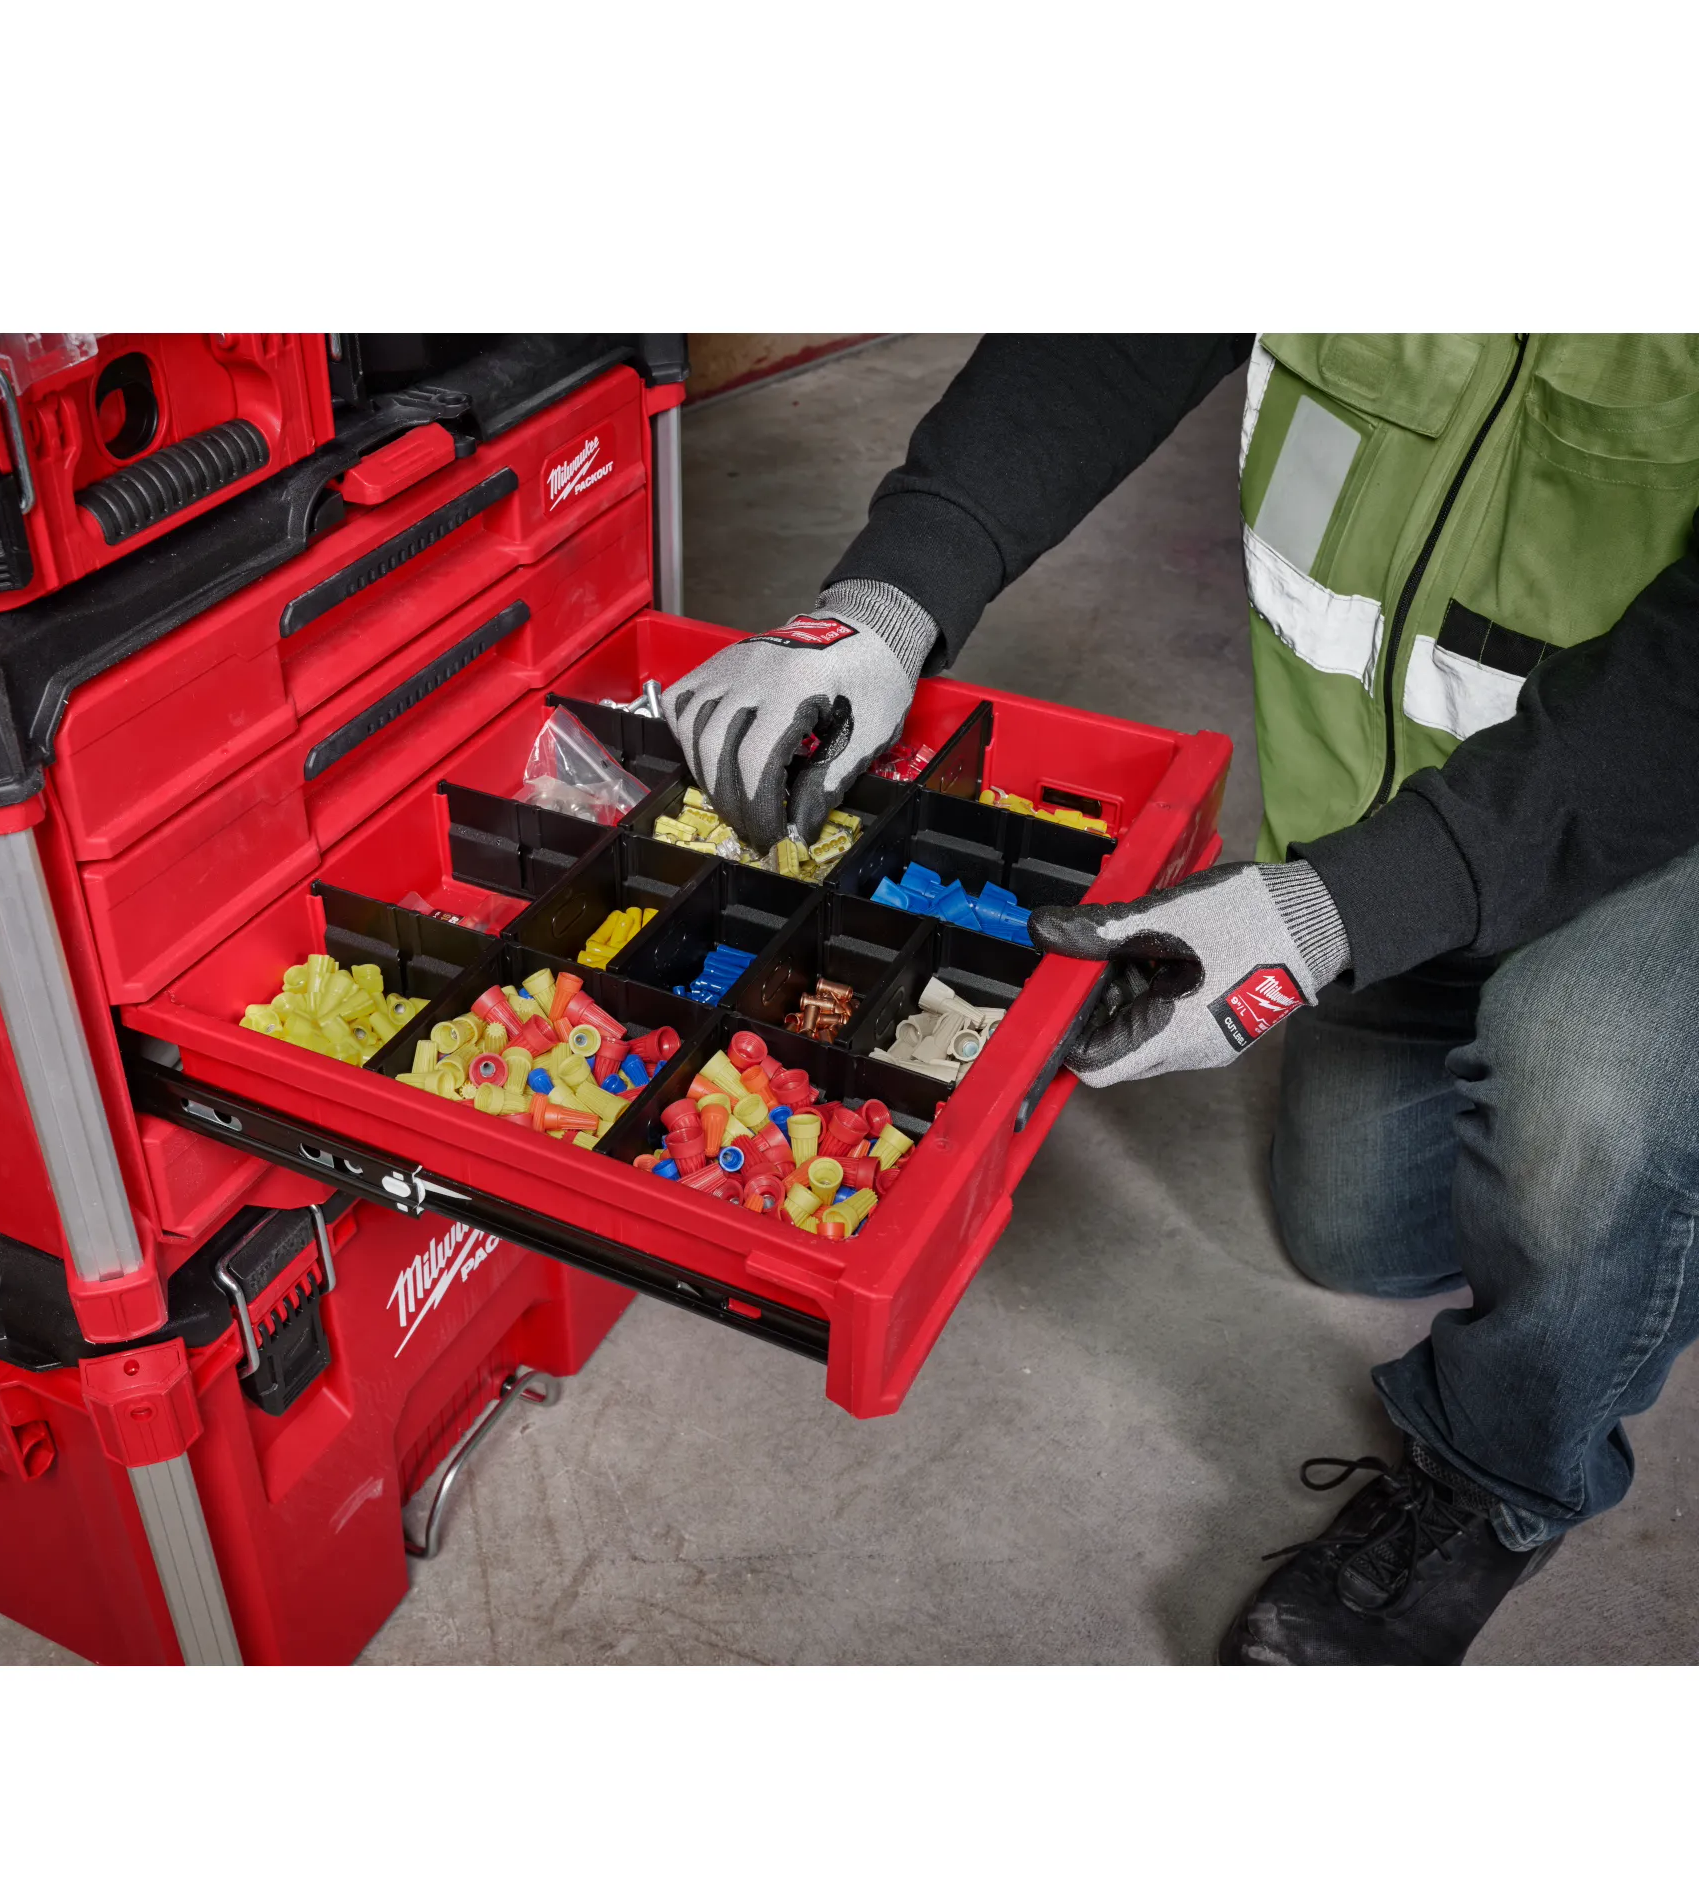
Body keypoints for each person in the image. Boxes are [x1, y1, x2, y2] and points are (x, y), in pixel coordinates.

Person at [670, 335, 1699, 1666]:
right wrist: (888, 594)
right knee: (1360, 1237)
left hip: (1663, 820)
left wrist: (1335, 914)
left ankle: (1504, 1481)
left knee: (1589, 1090)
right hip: (1395, 800)